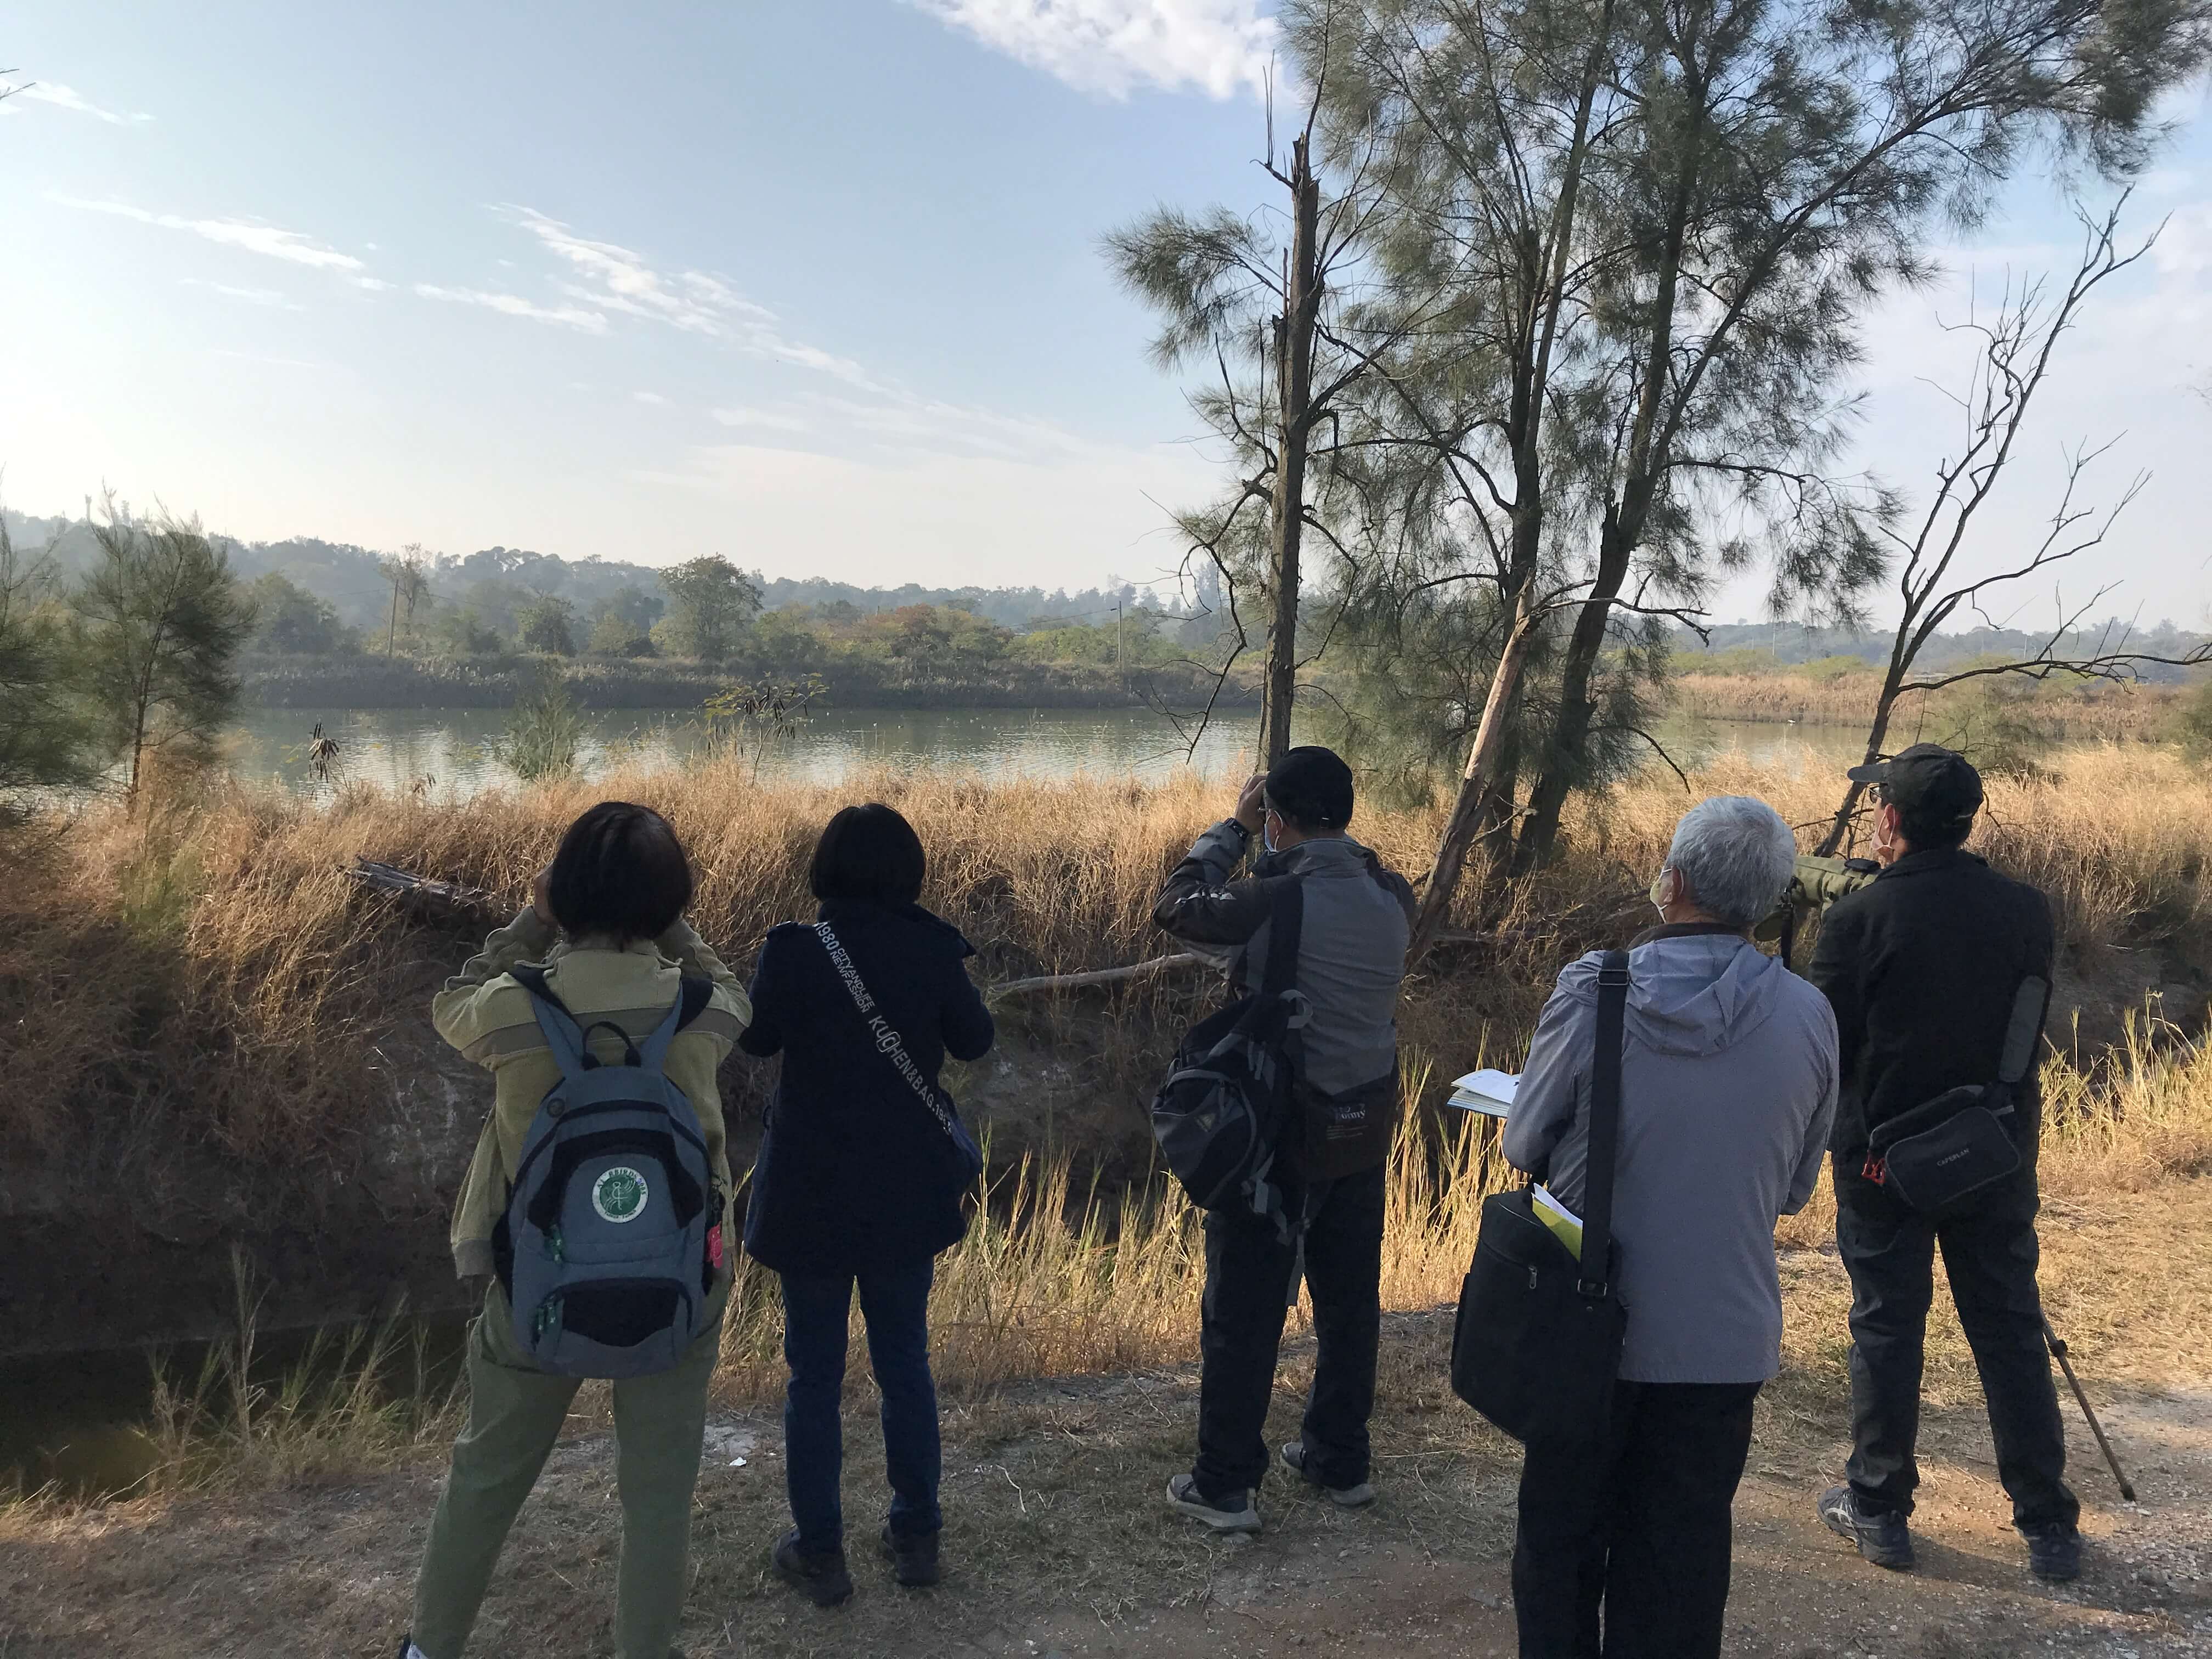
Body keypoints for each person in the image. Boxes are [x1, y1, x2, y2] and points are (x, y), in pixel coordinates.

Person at [402, 802, 751, 1659]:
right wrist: (674, 930)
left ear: (567, 892)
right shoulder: (702, 1009)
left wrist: (531, 922)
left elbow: (448, 1003)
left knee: (486, 1476)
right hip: (682, 1281)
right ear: (671, 900)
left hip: (535, 1284)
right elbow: (738, 992)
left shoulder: (514, 1010)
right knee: (659, 1496)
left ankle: (429, 1649)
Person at [1504, 795, 1837, 1659]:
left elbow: (1522, 1140)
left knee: (1561, 1549)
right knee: (1682, 1564)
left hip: (1586, 1332)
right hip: (1723, 1340)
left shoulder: (1593, 988)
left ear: (1673, 881)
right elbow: (1796, 1190)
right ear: (1768, 901)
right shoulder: (1810, 1016)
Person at [1805, 744, 2082, 1582]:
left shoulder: (1855, 921)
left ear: (1888, 820)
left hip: (1884, 1163)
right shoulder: (2026, 909)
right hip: (1994, 1151)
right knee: (2008, 1329)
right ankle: (2047, 1526)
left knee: (1888, 1326)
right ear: (1967, 821)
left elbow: (1828, 1047)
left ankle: (1881, 1510)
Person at [1152, 745, 1415, 1532]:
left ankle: (1225, 1485)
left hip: (1279, 1137)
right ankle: (1340, 1460)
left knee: (1244, 1309)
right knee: (1347, 1305)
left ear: (1277, 819)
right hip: (1364, 1128)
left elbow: (1176, 906)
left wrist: (1229, 830)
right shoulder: (1393, 893)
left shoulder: (1273, 897)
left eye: (1266, 816)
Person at [739, 802, 996, 1607]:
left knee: (812, 1376)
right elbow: (977, 1041)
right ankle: (916, 1536)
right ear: (909, 870)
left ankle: (821, 1555)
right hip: (903, 1195)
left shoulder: (793, 952)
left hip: (810, 1195)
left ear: (825, 871)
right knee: (904, 1366)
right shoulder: (929, 945)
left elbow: (754, 1040)